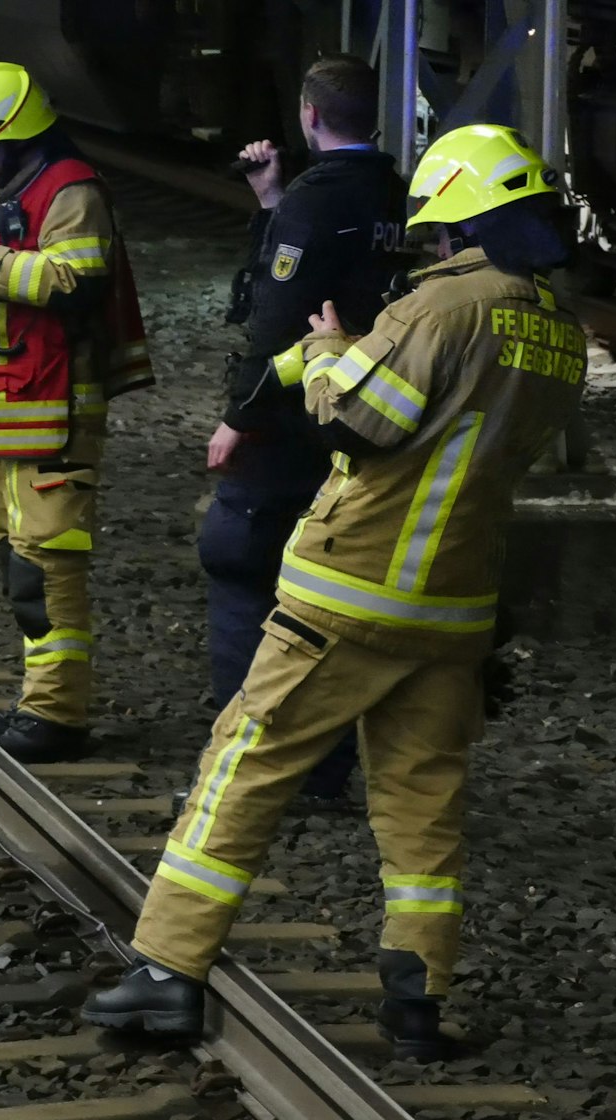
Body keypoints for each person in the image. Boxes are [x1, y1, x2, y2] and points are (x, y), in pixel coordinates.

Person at [82, 125, 585, 1062]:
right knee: (421, 801)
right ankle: (418, 1000)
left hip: (352, 591)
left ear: (454, 221)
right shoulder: (558, 332)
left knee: (245, 762)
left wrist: (326, 350)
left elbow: (365, 416)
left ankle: (166, 969)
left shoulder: (443, 307)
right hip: (454, 611)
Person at [0, 61, 154, 762]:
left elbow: (76, 281)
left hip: (54, 419)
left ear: (14, 138)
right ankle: (41, 704)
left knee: (47, 569)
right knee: (23, 567)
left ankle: (56, 715)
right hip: (13, 416)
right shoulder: (10, 192)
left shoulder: (69, 191)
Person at [199, 55, 408, 808]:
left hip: (291, 428)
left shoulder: (318, 201)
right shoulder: (396, 193)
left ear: (309, 115)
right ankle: (322, 770)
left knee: (239, 566)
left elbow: (279, 316)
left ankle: (258, 769)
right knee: (329, 602)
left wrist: (237, 417)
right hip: (363, 426)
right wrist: (269, 200)